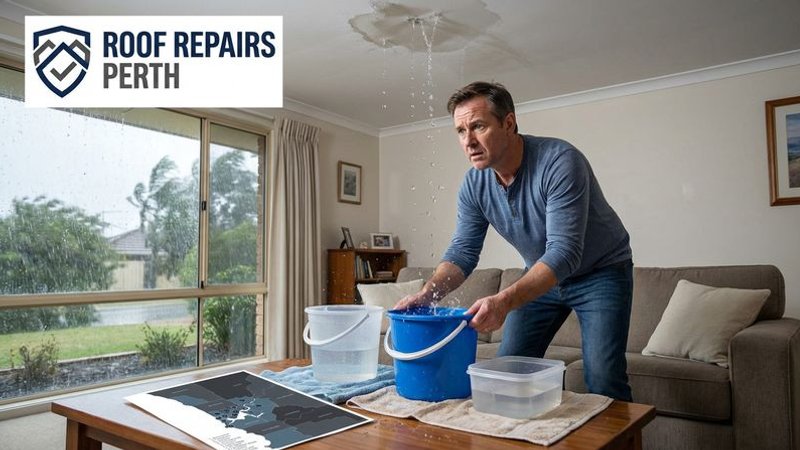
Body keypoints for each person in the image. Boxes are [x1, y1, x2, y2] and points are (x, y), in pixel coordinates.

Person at [394, 81, 634, 401]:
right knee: (504, 371)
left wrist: (504, 301)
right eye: (461, 131)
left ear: (508, 123)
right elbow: (463, 251)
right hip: (543, 273)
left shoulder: (560, 161)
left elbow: (564, 252)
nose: (469, 141)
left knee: (604, 378)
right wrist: (428, 294)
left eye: (478, 126)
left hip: (602, 272)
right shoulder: (474, 184)